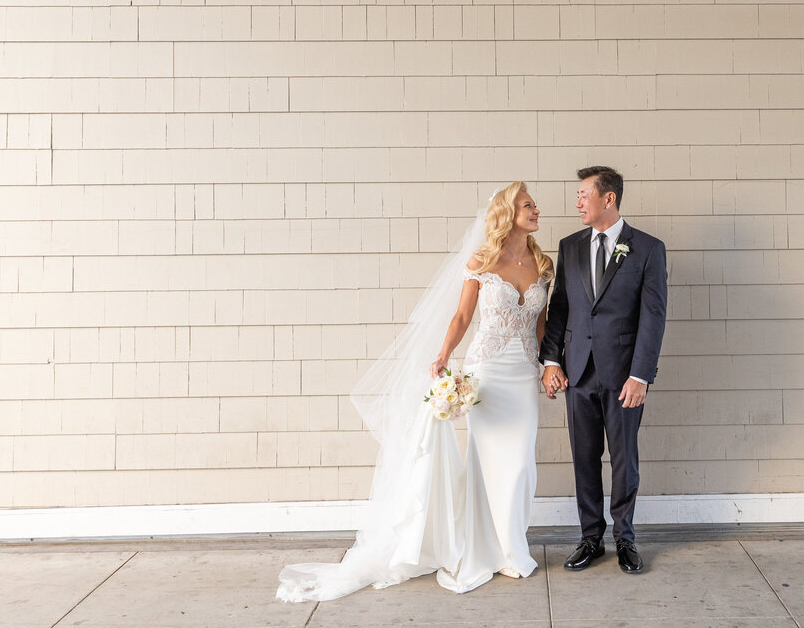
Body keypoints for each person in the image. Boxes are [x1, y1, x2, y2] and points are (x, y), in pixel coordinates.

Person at [276, 182, 552, 600]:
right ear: (506, 213)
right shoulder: (481, 261)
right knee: (485, 463)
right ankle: (487, 549)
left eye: (534, 205)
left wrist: (550, 365)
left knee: (519, 467)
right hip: (488, 372)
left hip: (523, 373)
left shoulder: (543, 263)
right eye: (528, 205)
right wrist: (443, 355)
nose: (536, 210)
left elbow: (542, 325)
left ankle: (512, 548)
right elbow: (462, 317)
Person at [539, 166, 668, 574]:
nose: (577, 202)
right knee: (583, 457)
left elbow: (653, 316)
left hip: (625, 376)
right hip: (577, 372)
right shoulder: (570, 245)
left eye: (583, 194)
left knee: (624, 459)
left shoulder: (647, 248)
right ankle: (590, 538)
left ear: (608, 199)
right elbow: (559, 308)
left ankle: (625, 539)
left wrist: (640, 374)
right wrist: (552, 361)